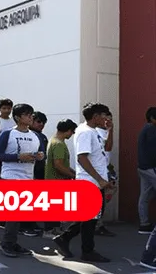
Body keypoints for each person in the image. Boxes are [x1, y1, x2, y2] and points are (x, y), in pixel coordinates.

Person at [53, 102, 113, 263]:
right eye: (103, 115)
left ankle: (64, 238)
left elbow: (103, 152)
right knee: (90, 219)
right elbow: (82, 157)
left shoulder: (93, 131)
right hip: (90, 182)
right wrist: (99, 179)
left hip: (96, 181)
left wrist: (104, 179)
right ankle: (87, 251)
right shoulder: (85, 132)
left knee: (89, 218)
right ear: (95, 117)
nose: (106, 118)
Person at [0, 103, 43, 257]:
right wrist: (17, 156)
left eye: (31, 114)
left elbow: (40, 154)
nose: (31, 117)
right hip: (10, 177)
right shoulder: (8, 134)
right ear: (17, 117)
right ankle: (7, 243)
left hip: (27, 177)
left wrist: (41, 156)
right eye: (27, 114)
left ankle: (12, 242)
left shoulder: (35, 136)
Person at [44, 119, 78, 235]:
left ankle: (54, 229)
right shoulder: (58, 144)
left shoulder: (53, 140)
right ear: (68, 130)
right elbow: (58, 165)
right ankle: (50, 230)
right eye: (72, 132)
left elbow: (62, 164)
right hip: (56, 180)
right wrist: (73, 175)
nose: (72, 134)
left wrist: (74, 172)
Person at [138, 107, 156, 235]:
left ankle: (144, 224)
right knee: (144, 197)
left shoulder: (146, 128)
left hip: (143, 167)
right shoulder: (151, 129)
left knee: (144, 197)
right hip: (150, 167)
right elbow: (153, 150)